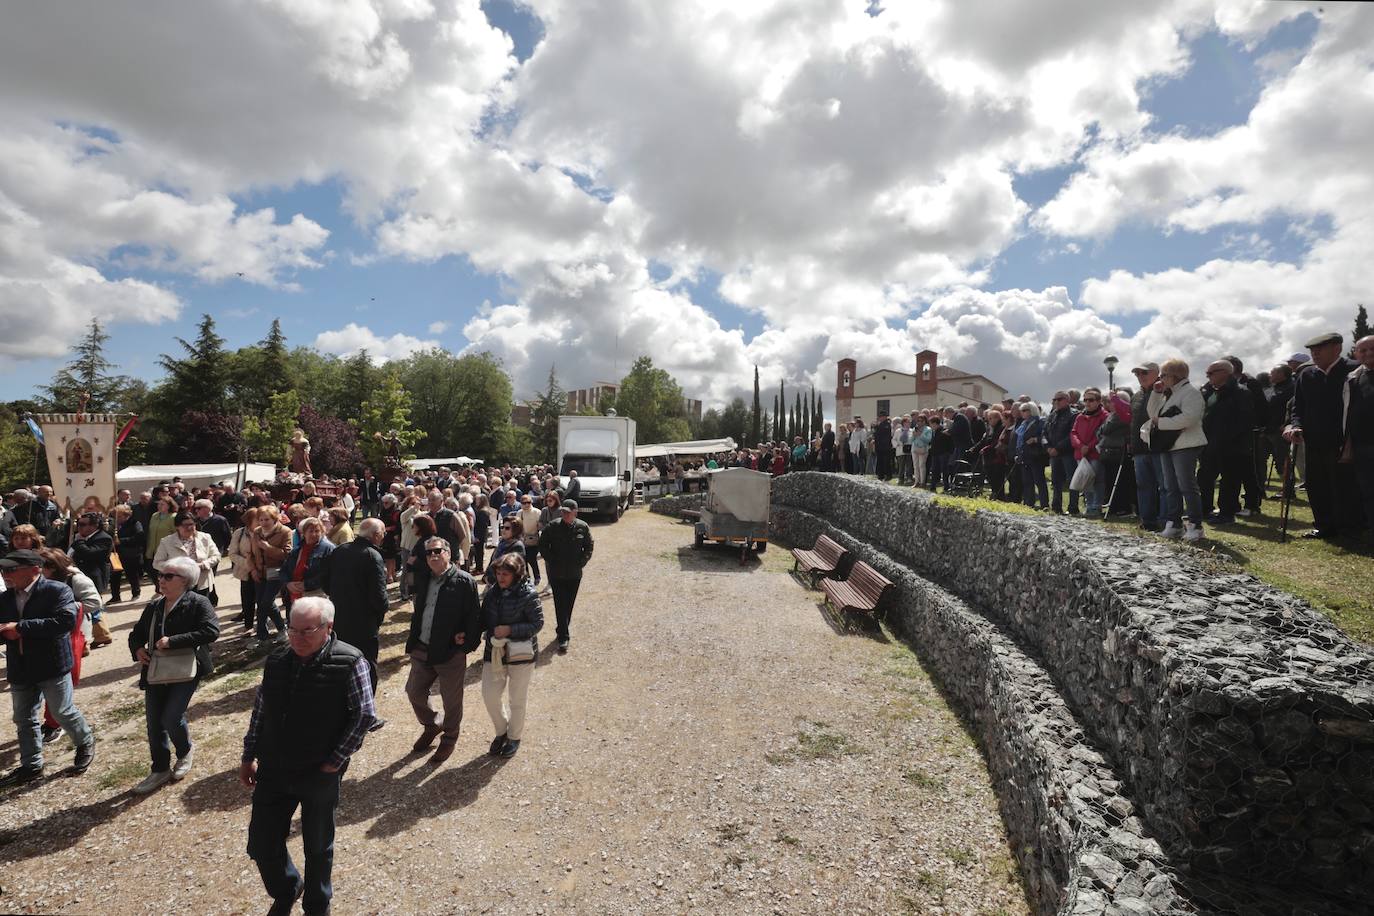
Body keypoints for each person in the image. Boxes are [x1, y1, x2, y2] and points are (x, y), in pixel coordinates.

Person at [240, 597, 375, 916]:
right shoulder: (277, 661)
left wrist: (336, 760)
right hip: (274, 767)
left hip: (319, 770)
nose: (297, 638)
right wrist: (249, 754)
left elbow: (364, 715)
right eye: (292, 630)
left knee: (317, 846)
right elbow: (261, 710)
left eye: (307, 631)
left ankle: (317, 905)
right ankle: (288, 888)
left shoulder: (351, 661)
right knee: (261, 843)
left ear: (329, 628)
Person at [0, 549, 96, 786]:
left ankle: (85, 741)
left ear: (34, 570)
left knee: (62, 711)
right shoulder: (5, 597)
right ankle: (32, 766)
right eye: (3, 569)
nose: (5, 573)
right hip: (20, 667)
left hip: (51, 665)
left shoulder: (58, 590)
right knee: (24, 718)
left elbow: (64, 622)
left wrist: (21, 628)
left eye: (11, 569)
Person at [127, 555, 220, 794]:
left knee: (171, 716)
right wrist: (138, 649)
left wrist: (174, 641)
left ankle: (185, 751)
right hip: (156, 670)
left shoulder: (199, 602)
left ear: (185, 580)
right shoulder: (155, 605)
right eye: (160, 575)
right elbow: (135, 634)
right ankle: (159, 769)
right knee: (153, 722)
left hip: (186, 669)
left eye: (168, 576)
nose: (161, 580)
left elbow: (211, 631)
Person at [406, 537, 481, 763]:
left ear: (449, 552)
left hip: (449, 653)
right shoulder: (424, 578)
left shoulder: (464, 581)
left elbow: (474, 618)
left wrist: (466, 645)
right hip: (422, 648)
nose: (433, 556)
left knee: (451, 700)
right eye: (428, 553)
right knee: (414, 692)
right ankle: (432, 724)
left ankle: (449, 737)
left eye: (438, 551)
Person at [1285, 331, 1360, 539]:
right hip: (1314, 440)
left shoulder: (1353, 370)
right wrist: (1295, 425)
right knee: (1317, 484)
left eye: (1320, 349)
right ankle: (1324, 525)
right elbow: (1298, 406)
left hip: (1344, 440)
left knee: (1344, 485)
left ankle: (1349, 528)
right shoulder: (1307, 375)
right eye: (1312, 350)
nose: (1315, 354)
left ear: (1336, 349)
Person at [480, 553, 543, 760]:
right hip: (494, 652)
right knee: (489, 695)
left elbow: (537, 624)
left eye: (505, 574)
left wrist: (509, 629)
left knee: (517, 699)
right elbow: (483, 620)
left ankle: (514, 737)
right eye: (498, 573)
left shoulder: (529, 594)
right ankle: (501, 731)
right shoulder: (491, 593)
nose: (500, 577)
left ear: (516, 574)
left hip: (521, 654)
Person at [321, 518, 387, 704]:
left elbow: (325, 581)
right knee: (366, 666)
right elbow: (379, 595)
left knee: (343, 662)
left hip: (340, 617)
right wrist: (379, 614)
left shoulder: (340, 550)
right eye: (382, 532)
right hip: (364, 622)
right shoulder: (372, 556)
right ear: (375, 535)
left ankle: (344, 704)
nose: (384, 536)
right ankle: (366, 709)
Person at [1147, 358, 1208, 541]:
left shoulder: (1190, 393)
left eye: (1163, 375)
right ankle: (1174, 524)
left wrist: (1162, 422)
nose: (1161, 379)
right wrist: (1156, 394)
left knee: (1187, 486)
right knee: (1170, 487)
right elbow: (1152, 415)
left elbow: (1189, 418)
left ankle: (1195, 526)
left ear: (1175, 375)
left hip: (1186, 445)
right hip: (1169, 446)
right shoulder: (1170, 394)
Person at [1198, 360, 1255, 526]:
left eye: (1211, 373)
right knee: (1205, 477)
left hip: (1231, 446)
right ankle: (1205, 508)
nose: (1208, 376)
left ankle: (1226, 513)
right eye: (1207, 373)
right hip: (1209, 443)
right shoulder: (1208, 392)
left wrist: (1226, 438)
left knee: (1229, 480)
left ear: (1225, 373)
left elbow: (1244, 420)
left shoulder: (1241, 393)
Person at [538, 499, 593, 653]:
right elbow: (542, 545)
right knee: (560, 604)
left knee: (568, 604)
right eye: (563, 511)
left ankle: (561, 627)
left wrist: (582, 562)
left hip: (574, 574)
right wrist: (551, 561)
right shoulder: (553, 526)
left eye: (568, 512)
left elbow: (589, 546)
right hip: (557, 574)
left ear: (576, 512)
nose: (565, 514)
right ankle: (563, 637)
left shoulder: (583, 527)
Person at [1130, 364, 1168, 532]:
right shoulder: (1136, 395)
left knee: (1164, 485)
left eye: (1144, 372)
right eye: (1137, 373)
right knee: (1144, 486)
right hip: (1139, 448)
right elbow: (1133, 421)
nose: (1140, 375)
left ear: (1156, 373)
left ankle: (1166, 521)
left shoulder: (1165, 390)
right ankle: (1148, 520)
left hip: (1159, 446)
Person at [154, 511, 222, 599]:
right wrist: (176, 569)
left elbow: (216, 556)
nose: (189, 527)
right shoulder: (166, 542)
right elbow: (157, 563)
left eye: (192, 524)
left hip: (202, 583)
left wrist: (203, 565)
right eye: (185, 525)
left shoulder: (205, 537)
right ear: (177, 526)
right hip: (177, 585)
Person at [1347, 335, 1374, 543]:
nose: (1367, 354)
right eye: (1362, 350)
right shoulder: (1354, 378)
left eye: (1371, 349)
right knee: (1367, 490)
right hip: (1363, 444)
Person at [250, 507, 292, 643]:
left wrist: (268, 548)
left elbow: (287, 555)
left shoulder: (285, 531)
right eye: (260, 519)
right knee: (261, 602)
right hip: (259, 571)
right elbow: (250, 553)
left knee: (266, 602)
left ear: (274, 519)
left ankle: (279, 629)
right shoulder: (257, 532)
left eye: (266, 519)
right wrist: (253, 570)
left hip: (276, 572)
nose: (263, 522)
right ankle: (262, 633)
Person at [280, 517, 335, 616]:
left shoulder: (328, 549)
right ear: (303, 533)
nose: (314, 534)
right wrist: (288, 583)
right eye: (310, 531)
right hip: (295, 595)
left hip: (316, 594)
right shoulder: (297, 549)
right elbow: (284, 569)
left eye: (317, 531)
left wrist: (305, 585)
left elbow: (328, 574)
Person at [1071, 388, 1110, 519]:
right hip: (1081, 454)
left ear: (1099, 401)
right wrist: (1080, 446)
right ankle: (1089, 505)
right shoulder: (1080, 416)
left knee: (1097, 479)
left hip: (1095, 454)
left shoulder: (1104, 416)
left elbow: (1101, 434)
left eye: (1091, 400)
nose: (1087, 403)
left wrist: (1089, 446)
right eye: (1085, 400)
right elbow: (1073, 433)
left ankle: (1096, 506)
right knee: (1086, 480)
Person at [1045, 391, 1080, 516]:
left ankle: (1073, 507)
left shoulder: (1074, 415)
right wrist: (1048, 447)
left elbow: (1072, 434)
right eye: (1054, 399)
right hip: (1054, 454)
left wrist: (1058, 448)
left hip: (1068, 453)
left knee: (1072, 480)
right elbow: (1045, 433)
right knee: (1056, 481)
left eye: (1059, 399)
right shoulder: (1052, 415)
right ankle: (1056, 506)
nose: (1056, 402)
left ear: (1067, 400)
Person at [227, 507, 260, 630]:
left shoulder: (266, 532)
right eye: (257, 519)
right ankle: (248, 626)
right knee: (247, 601)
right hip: (245, 572)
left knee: (263, 601)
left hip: (263, 571)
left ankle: (262, 626)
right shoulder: (239, 533)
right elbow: (232, 553)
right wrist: (248, 564)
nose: (260, 521)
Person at [1014, 403, 1049, 509]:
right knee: (1027, 481)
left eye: (1025, 410)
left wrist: (1035, 439)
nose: (1022, 412)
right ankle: (1029, 503)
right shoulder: (1023, 424)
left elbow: (1045, 436)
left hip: (1036, 456)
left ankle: (1044, 504)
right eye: (1021, 410)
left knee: (1039, 481)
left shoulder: (1040, 422)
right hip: (1025, 456)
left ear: (1032, 410)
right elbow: (1019, 440)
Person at [110, 504, 147, 604]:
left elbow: (138, 538)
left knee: (132, 575)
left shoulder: (135, 523)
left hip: (131, 553)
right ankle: (115, 596)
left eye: (119, 516)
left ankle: (136, 593)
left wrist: (121, 541)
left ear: (126, 515)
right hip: (116, 554)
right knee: (114, 576)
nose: (117, 518)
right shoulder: (114, 524)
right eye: (115, 516)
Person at [144, 496, 178, 595]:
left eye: (162, 504)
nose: (159, 506)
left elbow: (176, 534)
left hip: (168, 550)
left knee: (166, 571)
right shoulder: (154, 516)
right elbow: (150, 532)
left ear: (169, 506)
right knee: (152, 570)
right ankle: (159, 586)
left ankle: (167, 590)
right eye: (159, 504)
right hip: (153, 548)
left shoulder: (174, 517)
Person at [977, 410, 1009, 499]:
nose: (989, 420)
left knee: (997, 478)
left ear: (997, 418)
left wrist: (987, 448)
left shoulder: (1001, 428)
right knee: (991, 477)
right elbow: (984, 440)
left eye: (991, 418)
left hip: (997, 457)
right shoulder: (989, 428)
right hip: (988, 457)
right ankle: (995, 493)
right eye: (989, 418)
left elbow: (996, 441)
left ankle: (999, 495)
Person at [485, 517, 527, 585]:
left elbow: (512, 569)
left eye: (507, 528)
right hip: (494, 582)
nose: (503, 530)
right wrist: (486, 576)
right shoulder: (502, 542)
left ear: (515, 530)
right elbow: (493, 560)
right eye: (502, 527)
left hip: (507, 585)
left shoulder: (517, 546)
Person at [518, 494, 544, 588]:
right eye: (524, 503)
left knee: (532, 559)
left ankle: (537, 577)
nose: (526, 505)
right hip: (523, 540)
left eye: (528, 502)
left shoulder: (537, 512)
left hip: (534, 540)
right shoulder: (519, 513)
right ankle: (527, 577)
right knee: (523, 560)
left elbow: (540, 525)